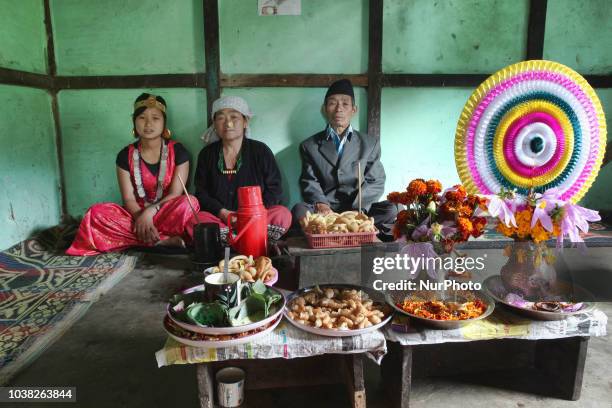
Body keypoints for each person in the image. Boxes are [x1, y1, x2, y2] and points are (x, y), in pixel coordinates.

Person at [66, 93, 199, 256]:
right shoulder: (125, 155)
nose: (148, 123)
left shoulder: (178, 151)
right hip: (135, 216)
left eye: (155, 118)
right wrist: (141, 218)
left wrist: (150, 212)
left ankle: (142, 241)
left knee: (189, 203)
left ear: (164, 123)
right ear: (134, 121)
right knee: (96, 213)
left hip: (166, 211)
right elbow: (128, 198)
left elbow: (175, 193)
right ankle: (161, 241)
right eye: (142, 117)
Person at [292, 79, 398, 240]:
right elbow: (309, 181)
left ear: (354, 110)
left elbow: (376, 181)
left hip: (359, 209)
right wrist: (322, 205)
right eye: (333, 103)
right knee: (299, 210)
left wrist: (357, 209)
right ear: (324, 109)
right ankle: (356, 233)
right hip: (326, 211)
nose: (339, 109)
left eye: (345, 104)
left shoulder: (369, 144)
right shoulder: (309, 146)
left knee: (392, 209)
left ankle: (340, 232)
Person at [194, 96, 291, 244]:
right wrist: (223, 212)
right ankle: (249, 239)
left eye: (234, 116)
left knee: (282, 214)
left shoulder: (261, 151)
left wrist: (253, 214)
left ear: (245, 122)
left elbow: (275, 189)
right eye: (221, 118)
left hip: (256, 218)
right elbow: (201, 193)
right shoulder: (207, 155)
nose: (228, 123)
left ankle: (230, 240)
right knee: (197, 220)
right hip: (221, 219)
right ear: (214, 124)